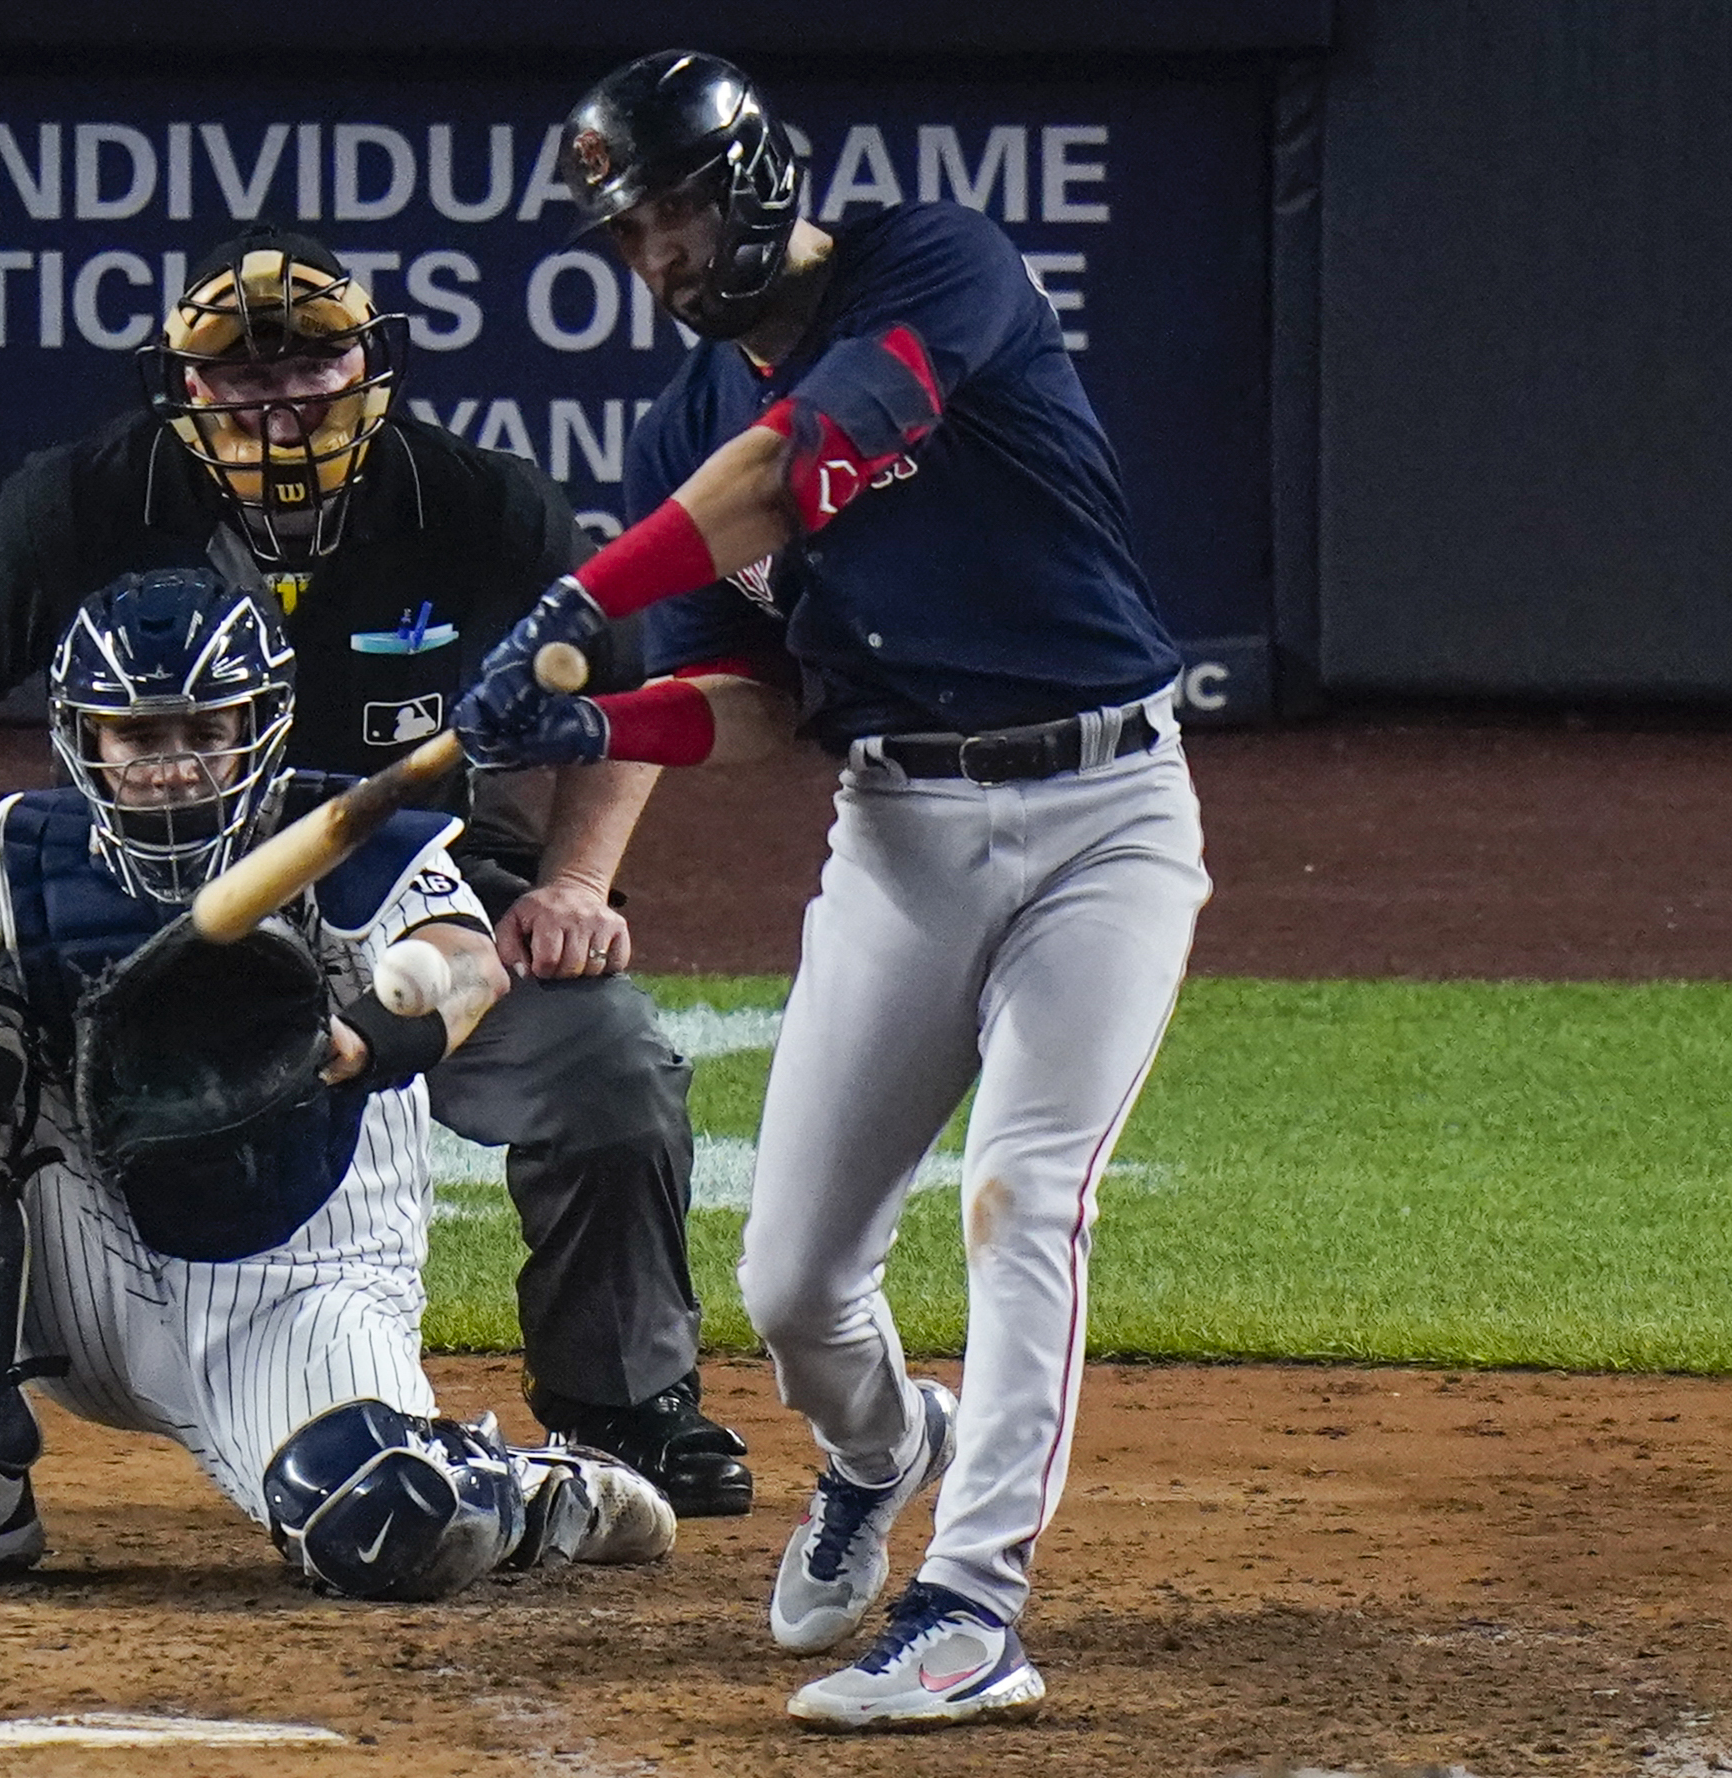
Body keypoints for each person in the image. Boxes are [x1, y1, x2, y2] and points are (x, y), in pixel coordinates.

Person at [455, 52, 1213, 1729]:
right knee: (796, 1280)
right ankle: (885, 1450)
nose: (652, 257)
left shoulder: (937, 264)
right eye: (626, 233)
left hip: (1105, 812)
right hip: (899, 835)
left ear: (750, 184)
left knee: (1026, 1194)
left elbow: (810, 455)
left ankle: (972, 1602)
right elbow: (759, 704)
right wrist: (595, 712)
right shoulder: (681, 419)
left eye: (667, 214)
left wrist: (586, 590)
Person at [0, 226, 750, 1520]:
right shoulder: (85, 495)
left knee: (607, 1065)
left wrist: (578, 882)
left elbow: (626, 682)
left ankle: (618, 1397)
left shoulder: (481, 501)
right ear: (185, 387)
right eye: (242, 374)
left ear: (373, 361)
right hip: (137, 898)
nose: (282, 397)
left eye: (313, 362)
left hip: (406, 874)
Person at [0, 568, 676, 1595]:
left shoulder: (353, 839)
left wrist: (360, 1038)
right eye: (140, 738)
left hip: (294, 1287)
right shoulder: (18, 860)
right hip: (78, 1253)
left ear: (259, 724)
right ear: (84, 740)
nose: (173, 767)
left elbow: (466, 963)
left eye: (203, 732)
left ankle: (534, 1488)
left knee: (385, 1524)